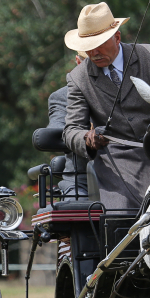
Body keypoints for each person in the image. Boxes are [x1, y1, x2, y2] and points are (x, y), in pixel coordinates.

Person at [63, 2, 150, 209]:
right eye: (88, 47)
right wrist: (88, 138)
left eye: (99, 44)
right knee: (120, 215)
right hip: (117, 161)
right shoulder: (77, 78)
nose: (93, 52)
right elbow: (70, 130)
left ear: (117, 38)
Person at [48, 52, 89, 198]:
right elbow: (56, 129)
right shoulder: (61, 97)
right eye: (90, 60)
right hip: (83, 181)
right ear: (78, 61)